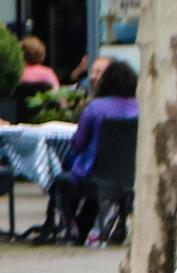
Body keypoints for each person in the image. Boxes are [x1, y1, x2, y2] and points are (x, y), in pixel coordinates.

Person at [54, 59, 139, 240]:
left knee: (63, 174)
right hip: (131, 173)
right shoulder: (141, 108)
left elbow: (78, 144)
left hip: (95, 171)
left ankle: (70, 223)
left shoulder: (95, 108)